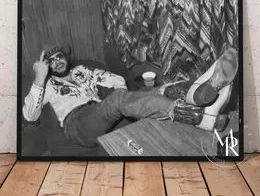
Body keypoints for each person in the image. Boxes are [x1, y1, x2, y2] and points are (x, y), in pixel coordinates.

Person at [23, 44, 238, 151]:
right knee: (119, 100)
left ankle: (199, 96)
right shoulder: (46, 85)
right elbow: (30, 115)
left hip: (99, 110)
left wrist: (109, 92)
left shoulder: (82, 70)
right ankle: (200, 112)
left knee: (157, 90)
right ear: (46, 66)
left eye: (58, 56)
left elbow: (116, 80)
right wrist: (40, 77)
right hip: (77, 124)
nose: (57, 61)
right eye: (50, 61)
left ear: (65, 57)